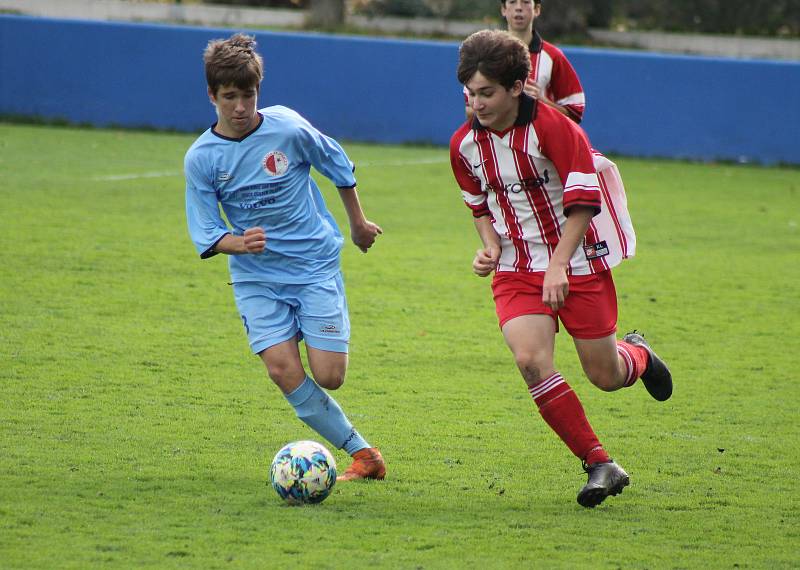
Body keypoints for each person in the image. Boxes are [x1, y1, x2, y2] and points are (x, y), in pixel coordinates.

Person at [450, 30, 672, 508]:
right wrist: (488, 246)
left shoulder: (555, 128)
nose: (476, 103)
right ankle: (600, 463)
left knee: (605, 375)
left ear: (515, 87)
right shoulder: (464, 146)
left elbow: (584, 203)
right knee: (530, 361)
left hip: (576, 260)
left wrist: (558, 266)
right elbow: (479, 205)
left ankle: (638, 356)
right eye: (469, 93)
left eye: (486, 92)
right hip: (517, 267)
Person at [184, 33, 386, 482]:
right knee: (281, 369)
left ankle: (313, 329)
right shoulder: (202, 158)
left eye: (248, 95)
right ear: (212, 96)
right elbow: (205, 228)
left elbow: (337, 163)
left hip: (313, 265)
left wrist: (357, 224)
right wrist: (235, 243)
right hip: (257, 277)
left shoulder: (288, 129)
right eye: (230, 97)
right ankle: (364, 455)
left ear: (259, 90)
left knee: (330, 375)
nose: (240, 107)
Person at [465, 0, 585, 123]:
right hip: (496, 141)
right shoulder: (484, 54)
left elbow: (575, 115)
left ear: (537, 9)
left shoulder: (553, 56)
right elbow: (469, 111)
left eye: (526, 2)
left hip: (539, 140)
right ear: (503, 9)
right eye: (512, 2)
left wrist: (542, 102)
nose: (518, 8)